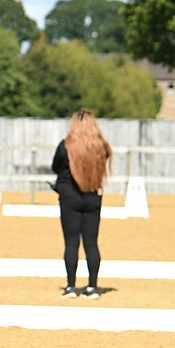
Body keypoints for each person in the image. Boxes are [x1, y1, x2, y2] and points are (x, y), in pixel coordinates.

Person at [53, 108, 113, 299]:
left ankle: (71, 287)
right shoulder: (101, 147)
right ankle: (92, 287)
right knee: (92, 244)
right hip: (93, 196)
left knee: (71, 243)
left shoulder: (65, 146)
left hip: (69, 197)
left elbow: (55, 166)